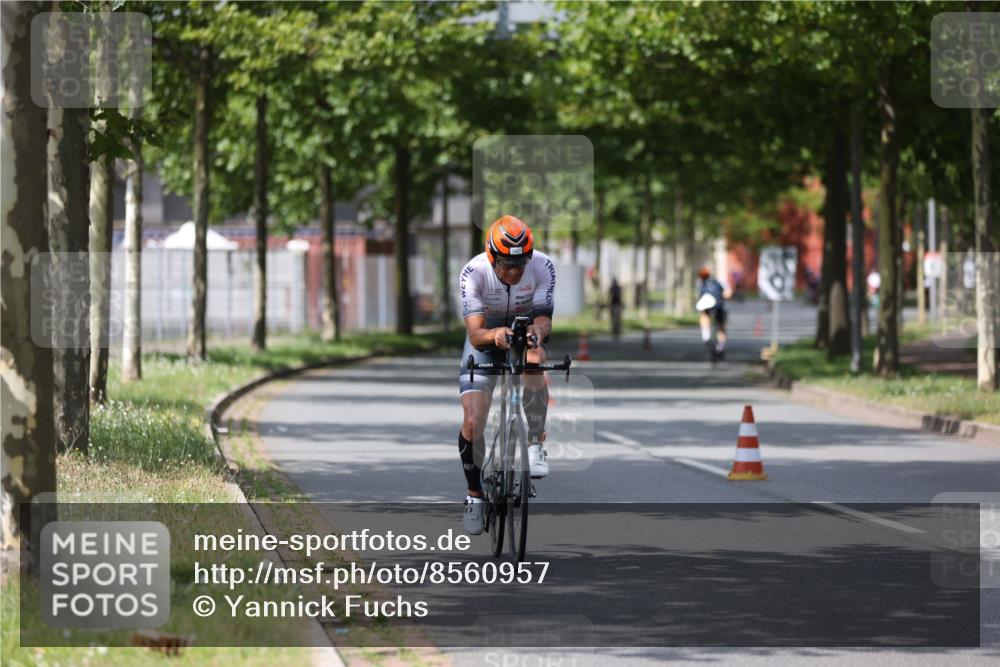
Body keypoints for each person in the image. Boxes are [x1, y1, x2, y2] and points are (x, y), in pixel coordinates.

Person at [457, 215, 556, 535]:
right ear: (490, 256)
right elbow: (475, 335)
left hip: (523, 335)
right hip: (485, 342)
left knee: (536, 358)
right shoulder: (473, 273)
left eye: (519, 264)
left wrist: (536, 333)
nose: (512, 272)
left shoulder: (543, 266)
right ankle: (474, 496)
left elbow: (544, 320)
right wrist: (495, 334)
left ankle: (534, 442)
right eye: (504, 265)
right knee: (473, 421)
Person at [696, 266, 732, 359]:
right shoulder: (702, 282)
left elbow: (728, 292)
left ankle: (714, 342)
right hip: (711, 306)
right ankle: (709, 338)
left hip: (716, 306)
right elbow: (728, 293)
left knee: (718, 324)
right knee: (706, 316)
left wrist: (723, 296)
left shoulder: (715, 282)